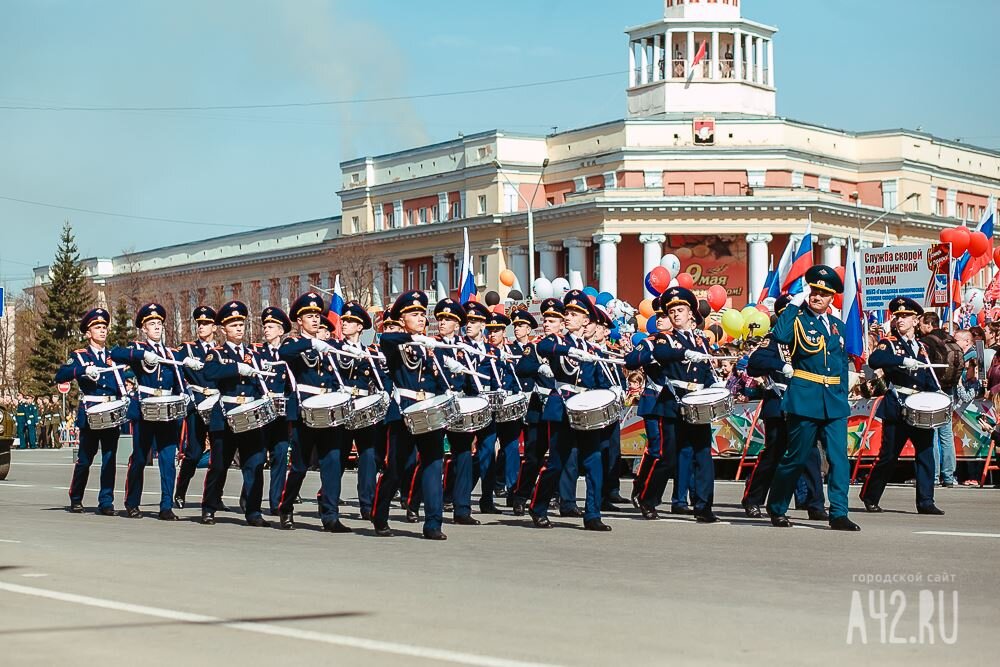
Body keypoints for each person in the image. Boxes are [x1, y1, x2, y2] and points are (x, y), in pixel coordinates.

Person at [766, 265, 860, 531]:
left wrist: (842, 393)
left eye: (824, 293)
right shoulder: (797, 320)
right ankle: (777, 507)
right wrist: (795, 303)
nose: (817, 297)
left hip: (834, 401)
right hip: (805, 399)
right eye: (814, 291)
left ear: (832, 298)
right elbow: (780, 336)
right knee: (795, 458)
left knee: (839, 459)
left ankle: (839, 512)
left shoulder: (838, 327)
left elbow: (841, 364)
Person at [525, 290, 611, 531]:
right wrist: (569, 351)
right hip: (561, 407)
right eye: (568, 313)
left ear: (586, 321)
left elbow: (600, 382)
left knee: (594, 462)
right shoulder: (558, 341)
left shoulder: (593, 351)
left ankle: (593, 514)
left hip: (586, 410)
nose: (569, 317)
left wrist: (611, 390)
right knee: (557, 463)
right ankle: (538, 507)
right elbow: (543, 347)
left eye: (575, 314)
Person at [372, 290, 451, 540]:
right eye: (413, 314)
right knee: (397, 468)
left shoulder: (433, 347)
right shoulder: (398, 343)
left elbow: (441, 381)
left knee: (433, 465)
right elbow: (386, 340)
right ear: (402, 318)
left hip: (430, 412)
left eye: (422, 314)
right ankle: (380, 513)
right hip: (404, 412)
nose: (420, 318)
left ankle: (433, 523)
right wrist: (413, 338)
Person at [742, 294, 828, 521]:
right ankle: (753, 499)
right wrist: (781, 365)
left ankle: (815, 503)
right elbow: (754, 364)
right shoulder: (774, 340)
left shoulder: (811, 338)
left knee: (810, 454)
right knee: (774, 453)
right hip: (780, 404)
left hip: (805, 403)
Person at [112, 302, 201, 520]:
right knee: (141, 458)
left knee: (168, 459)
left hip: (168, 411)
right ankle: (132, 502)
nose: (157, 327)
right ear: (144, 329)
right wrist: (141, 355)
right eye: (152, 324)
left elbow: (180, 379)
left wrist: (186, 384)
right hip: (145, 411)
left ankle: (165, 506)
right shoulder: (138, 348)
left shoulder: (171, 353)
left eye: (159, 323)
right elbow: (116, 353)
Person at [860, 298, 945, 515]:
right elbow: (875, 360)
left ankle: (926, 501)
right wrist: (901, 362)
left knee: (926, 454)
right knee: (889, 455)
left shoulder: (923, 347)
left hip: (920, 406)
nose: (900, 320)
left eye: (905, 316)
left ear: (916, 320)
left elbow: (928, 376)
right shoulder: (889, 344)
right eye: (897, 316)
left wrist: (937, 392)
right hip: (898, 406)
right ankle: (870, 495)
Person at [276, 292, 352, 533]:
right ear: (300, 321)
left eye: (317, 315)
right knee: (299, 466)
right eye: (309, 316)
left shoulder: (330, 346)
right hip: (304, 411)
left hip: (329, 410)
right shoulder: (293, 344)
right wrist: (310, 343)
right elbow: (283, 355)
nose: (315, 320)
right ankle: (286, 507)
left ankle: (330, 515)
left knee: (331, 464)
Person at [199, 300, 271, 527]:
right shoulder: (217, 353)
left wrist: (265, 397)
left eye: (241, 324)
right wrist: (236, 368)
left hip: (250, 414)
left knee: (255, 463)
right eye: (233, 325)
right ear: (223, 329)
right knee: (219, 465)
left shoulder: (254, 353)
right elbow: (209, 372)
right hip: (226, 414)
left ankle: (253, 511)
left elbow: (261, 380)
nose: (239, 328)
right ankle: (209, 507)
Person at [55, 308, 126, 515]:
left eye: (104, 327)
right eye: (97, 327)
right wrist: (83, 370)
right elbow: (61, 375)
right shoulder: (80, 356)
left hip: (111, 411)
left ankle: (106, 501)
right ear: (88, 333)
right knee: (85, 459)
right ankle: (76, 497)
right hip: (91, 413)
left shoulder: (114, 355)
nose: (102, 331)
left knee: (110, 458)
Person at [335, 301, 383, 521]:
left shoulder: (370, 352)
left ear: (360, 327)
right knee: (338, 456)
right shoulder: (334, 349)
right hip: (343, 408)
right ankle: (329, 499)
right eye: (344, 320)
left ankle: (367, 503)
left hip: (364, 409)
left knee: (368, 456)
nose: (345, 324)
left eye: (350, 321)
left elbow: (382, 380)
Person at [172, 306, 220, 509]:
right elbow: (172, 360)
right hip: (197, 404)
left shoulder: (221, 351)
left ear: (215, 327)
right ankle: (180, 492)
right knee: (194, 452)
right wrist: (184, 360)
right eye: (199, 323)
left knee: (219, 454)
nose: (202, 327)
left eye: (206, 323)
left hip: (217, 404)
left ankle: (214, 497)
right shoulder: (188, 349)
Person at [917, 311, 962, 488]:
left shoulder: (927, 342)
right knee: (946, 434)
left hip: (933, 390)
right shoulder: (950, 338)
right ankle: (949, 476)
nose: (919, 327)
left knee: (932, 433)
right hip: (948, 389)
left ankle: (933, 476)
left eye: (921, 324)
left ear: (929, 324)